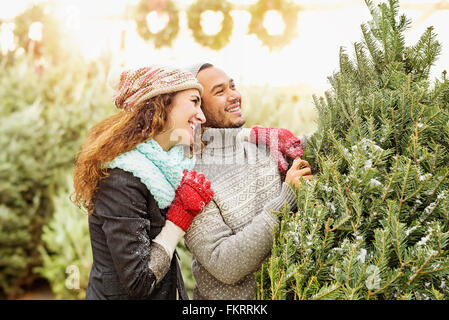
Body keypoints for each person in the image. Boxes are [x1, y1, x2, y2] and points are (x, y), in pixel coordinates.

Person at [71, 65, 214, 300]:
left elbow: (218, 134)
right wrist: (178, 220)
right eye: (194, 101)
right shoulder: (121, 179)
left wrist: (258, 136)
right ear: (163, 103)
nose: (202, 116)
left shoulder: (171, 165)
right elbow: (139, 282)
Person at [182, 63, 313, 299]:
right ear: (197, 108)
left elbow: (318, 144)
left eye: (233, 86)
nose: (234, 96)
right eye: (220, 91)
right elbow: (223, 263)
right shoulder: (190, 178)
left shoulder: (263, 147)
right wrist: (285, 201)